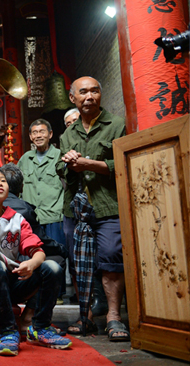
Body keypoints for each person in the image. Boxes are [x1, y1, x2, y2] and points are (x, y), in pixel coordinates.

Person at [0, 167, 71, 357]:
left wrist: (31, 264)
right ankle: (8, 331)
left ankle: (40, 327)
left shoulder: (17, 218)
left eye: (3, 180)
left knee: (53, 267)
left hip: (13, 283)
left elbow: (38, 251)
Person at [57, 76, 128, 341]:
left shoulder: (117, 125)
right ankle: (85, 316)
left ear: (100, 95)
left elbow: (123, 162)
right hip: (75, 209)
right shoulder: (68, 134)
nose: (89, 96)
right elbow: (60, 168)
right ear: (73, 98)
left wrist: (89, 164)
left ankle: (113, 317)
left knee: (111, 257)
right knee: (77, 262)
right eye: (83, 92)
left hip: (108, 204)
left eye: (94, 91)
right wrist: (67, 161)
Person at [0, 163, 68, 331]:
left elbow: (33, 241)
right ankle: (30, 316)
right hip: (14, 273)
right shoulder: (23, 209)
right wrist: (62, 249)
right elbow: (41, 241)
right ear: (21, 187)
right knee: (57, 261)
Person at [17, 119, 66, 248]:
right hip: (31, 220)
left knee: (57, 255)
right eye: (35, 132)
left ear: (50, 134)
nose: (38, 135)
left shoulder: (60, 156)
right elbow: (17, 188)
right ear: (30, 136)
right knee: (33, 255)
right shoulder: (25, 159)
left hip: (54, 219)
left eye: (42, 132)